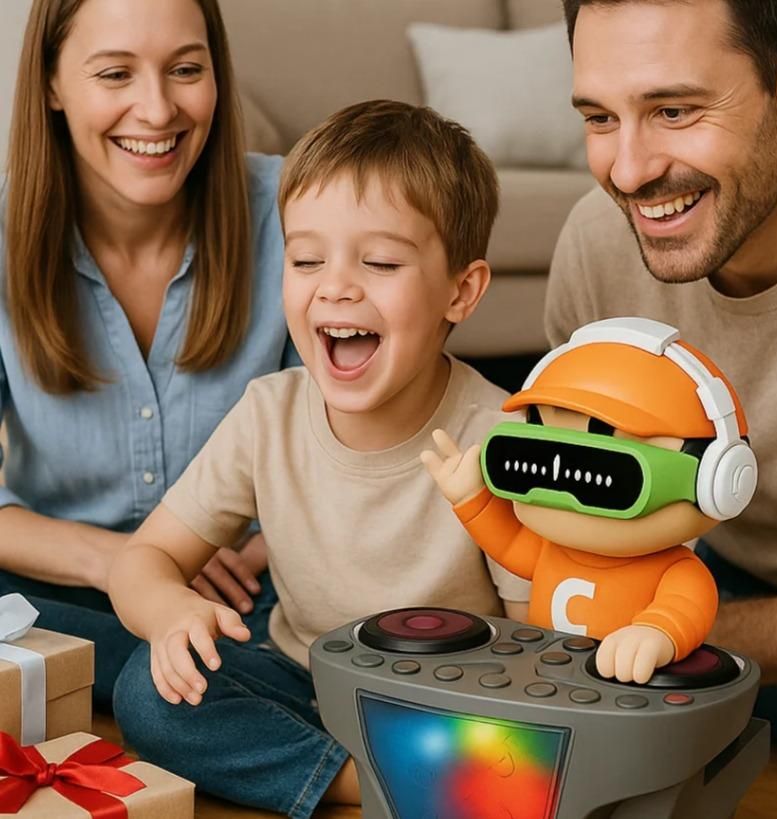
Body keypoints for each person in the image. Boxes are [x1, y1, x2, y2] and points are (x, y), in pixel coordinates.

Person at [108, 99, 531, 818]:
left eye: (380, 261)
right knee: (148, 692)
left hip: (449, 706)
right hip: (299, 679)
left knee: (526, 738)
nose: (335, 284)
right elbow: (139, 562)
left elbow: (537, 636)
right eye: (306, 258)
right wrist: (171, 609)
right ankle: (380, 787)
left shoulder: (497, 437)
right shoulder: (268, 411)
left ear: (460, 290)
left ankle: (432, 773)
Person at [0, 0, 296, 707]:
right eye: (115, 74)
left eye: (185, 70)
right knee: (164, 684)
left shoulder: (295, 209)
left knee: (190, 673)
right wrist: (133, 566)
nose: (157, 109)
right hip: (62, 584)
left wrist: (256, 549)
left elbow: (354, 441)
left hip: (247, 587)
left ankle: (157, 689)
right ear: (50, 83)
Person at [545, 0, 777, 762]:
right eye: (599, 118)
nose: (627, 172)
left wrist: (663, 633)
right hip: (683, 573)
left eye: (672, 109)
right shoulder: (598, 244)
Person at [424, 316, 762, 684]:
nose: (556, 467)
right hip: (545, 684)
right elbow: (511, 543)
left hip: (627, 697)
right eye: (535, 442)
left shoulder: (675, 572)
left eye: (598, 451)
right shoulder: (552, 550)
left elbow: (684, 608)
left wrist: (656, 634)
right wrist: (473, 499)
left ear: (717, 476)